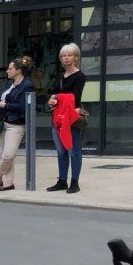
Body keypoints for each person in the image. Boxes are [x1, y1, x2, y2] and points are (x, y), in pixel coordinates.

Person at [0, 58, 35, 192]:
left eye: (10, 68)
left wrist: (6, 105)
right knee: (4, 155)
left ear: (18, 70)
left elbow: (23, 107)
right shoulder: (8, 84)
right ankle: (9, 183)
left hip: (16, 124)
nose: (7, 71)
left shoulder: (27, 85)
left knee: (8, 155)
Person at [47, 43, 86, 194]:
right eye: (64, 55)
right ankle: (62, 181)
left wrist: (57, 98)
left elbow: (74, 97)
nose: (66, 58)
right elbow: (54, 94)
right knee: (61, 151)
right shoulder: (59, 76)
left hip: (71, 118)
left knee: (74, 151)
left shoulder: (80, 76)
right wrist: (52, 100)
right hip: (57, 116)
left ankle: (74, 182)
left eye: (69, 55)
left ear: (76, 57)